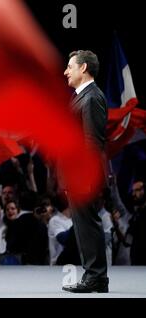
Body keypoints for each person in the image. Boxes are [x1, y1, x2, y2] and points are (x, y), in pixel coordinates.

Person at [62, 50, 109, 293]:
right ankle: (96, 277)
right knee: (83, 225)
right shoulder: (80, 96)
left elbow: (93, 141)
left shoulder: (91, 98)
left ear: (84, 68)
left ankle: (96, 277)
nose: (65, 72)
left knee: (88, 224)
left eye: (70, 67)